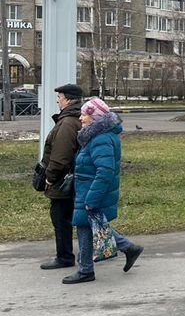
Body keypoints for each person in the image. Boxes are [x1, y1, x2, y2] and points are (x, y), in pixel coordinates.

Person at [62, 97, 143, 285]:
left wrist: (92, 198)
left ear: (95, 117)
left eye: (84, 114)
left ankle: (86, 270)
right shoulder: (96, 137)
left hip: (91, 191)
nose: (80, 118)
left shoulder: (101, 139)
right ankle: (128, 248)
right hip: (87, 190)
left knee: (86, 226)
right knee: (92, 226)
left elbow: (105, 171)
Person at [39, 83, 83, 270]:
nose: (58, 101)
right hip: (72, 177)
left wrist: (50, 177)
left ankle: (64, 257)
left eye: (59, 98)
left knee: (60, 218)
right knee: (72, 217)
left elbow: (61, 156)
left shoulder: (67, 123)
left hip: (63, 180)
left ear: (67, 100)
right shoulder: (73, 118)